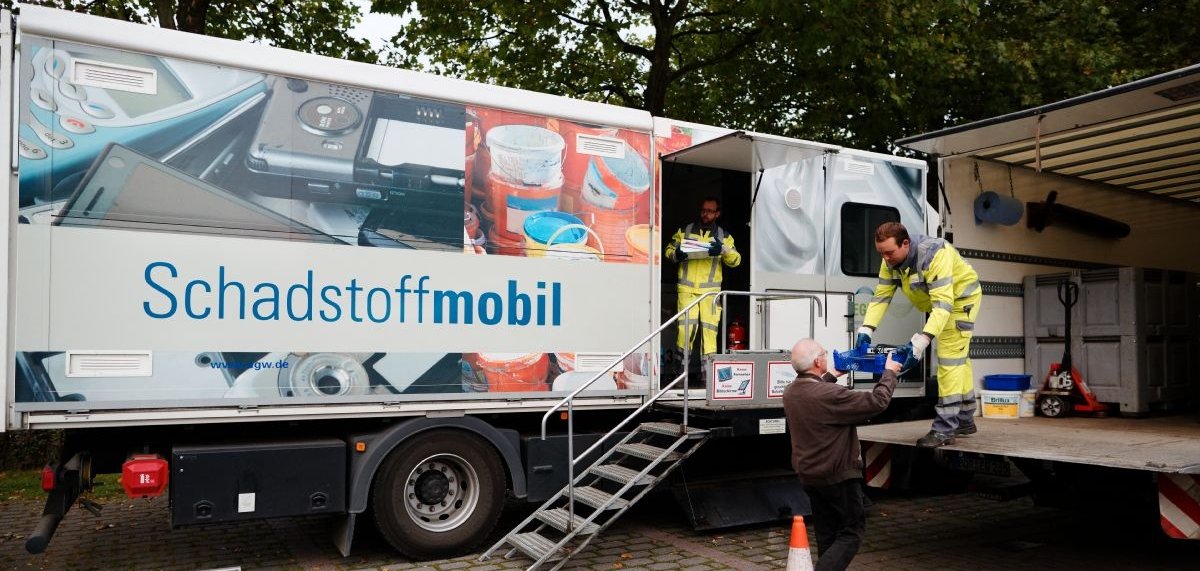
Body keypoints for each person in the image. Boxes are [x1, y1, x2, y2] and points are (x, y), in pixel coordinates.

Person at [855, 221, 982, 448]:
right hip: (941, 304)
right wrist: (866, 328)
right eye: (881, 253)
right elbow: (882, 296)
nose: (885, 259)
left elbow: (944, 305)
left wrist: (921, 341)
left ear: (905, 244)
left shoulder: (935, 254)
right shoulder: (890, 260)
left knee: (949, 361)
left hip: (961, 302)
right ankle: (965, 418)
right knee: (959, 359)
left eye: (889, 253)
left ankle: (945, 428)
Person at [782, 338, 901, 571]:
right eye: (824, 353)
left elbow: (814, 391)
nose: (827, 355)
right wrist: (889, 372)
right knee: (851, 532)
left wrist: (832, 374)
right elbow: (878, 401)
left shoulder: (791, 392)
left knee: (827, 534)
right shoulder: (831, 395)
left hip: (810, 476)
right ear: (818, 361)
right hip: (837, 477)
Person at [663, 197, 740, 366]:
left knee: (709, 334)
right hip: (687, 290)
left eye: (710, 211)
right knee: (685, 332)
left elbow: (736, 260)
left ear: (717, 214)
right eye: (703, 210)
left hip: (710, 293)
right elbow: (668, 250)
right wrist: (676, 254)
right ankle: (680, 377)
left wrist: (724, 250)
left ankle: (708, 380)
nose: (705, 214)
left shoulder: (723, 236)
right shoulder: (685, 231)